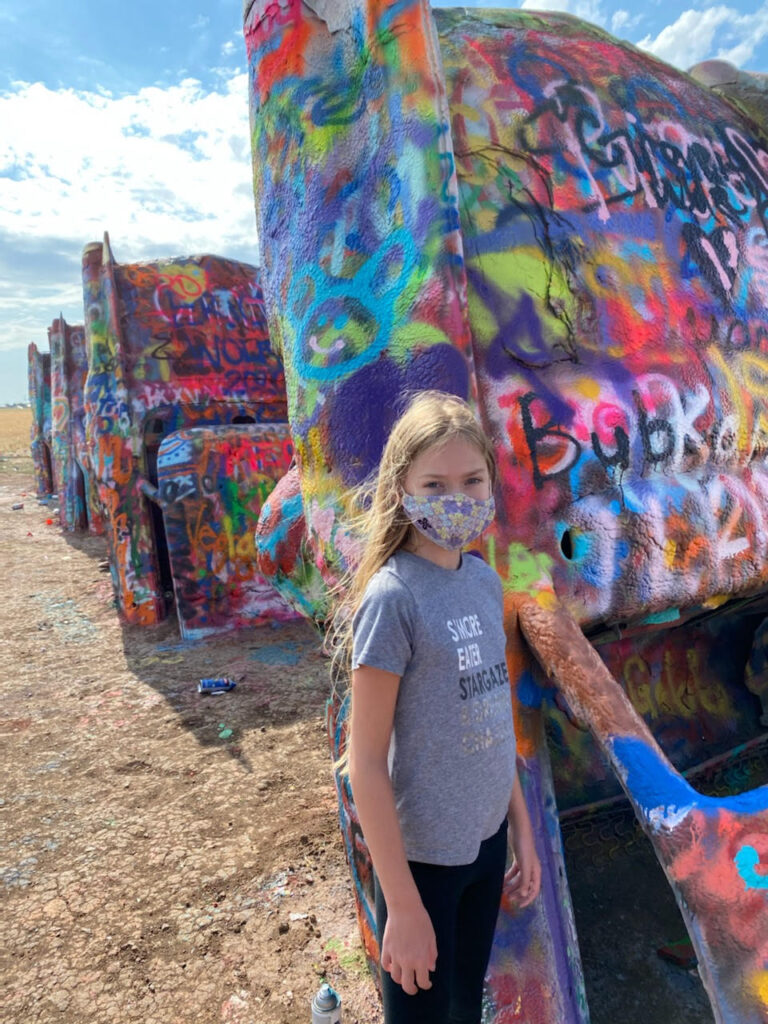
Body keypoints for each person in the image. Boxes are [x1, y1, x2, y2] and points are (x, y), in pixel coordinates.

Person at [335, 390, 541, 1024]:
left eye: (472, 479)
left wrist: (522, 828)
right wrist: (401, 904)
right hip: (421, 863)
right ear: (403, 487)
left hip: (485, 845)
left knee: (463, 1010)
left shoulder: (482, 581)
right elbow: (362, 763)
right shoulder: (392, 599)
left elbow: (490, 715)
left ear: (489, 484)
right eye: (435, 482)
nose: (457, 496)